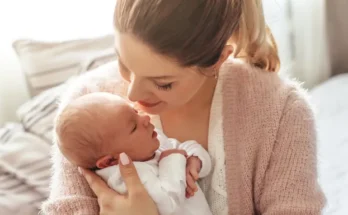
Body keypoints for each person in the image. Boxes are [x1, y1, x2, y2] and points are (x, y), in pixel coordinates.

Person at [42, 0, 326, 214]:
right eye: (123, 64)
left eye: (162, 83)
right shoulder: (87, 104)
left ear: (218, 59)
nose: (133, 93)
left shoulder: (282, 112)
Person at [55, 92, 213, 215]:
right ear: (110, 161)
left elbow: (183, 148)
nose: (144, 119)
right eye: (133, 127)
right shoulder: (126, 177)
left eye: (135, 112)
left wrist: (195, 159)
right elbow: (168, 204)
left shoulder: (149, 146)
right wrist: (172, 159)